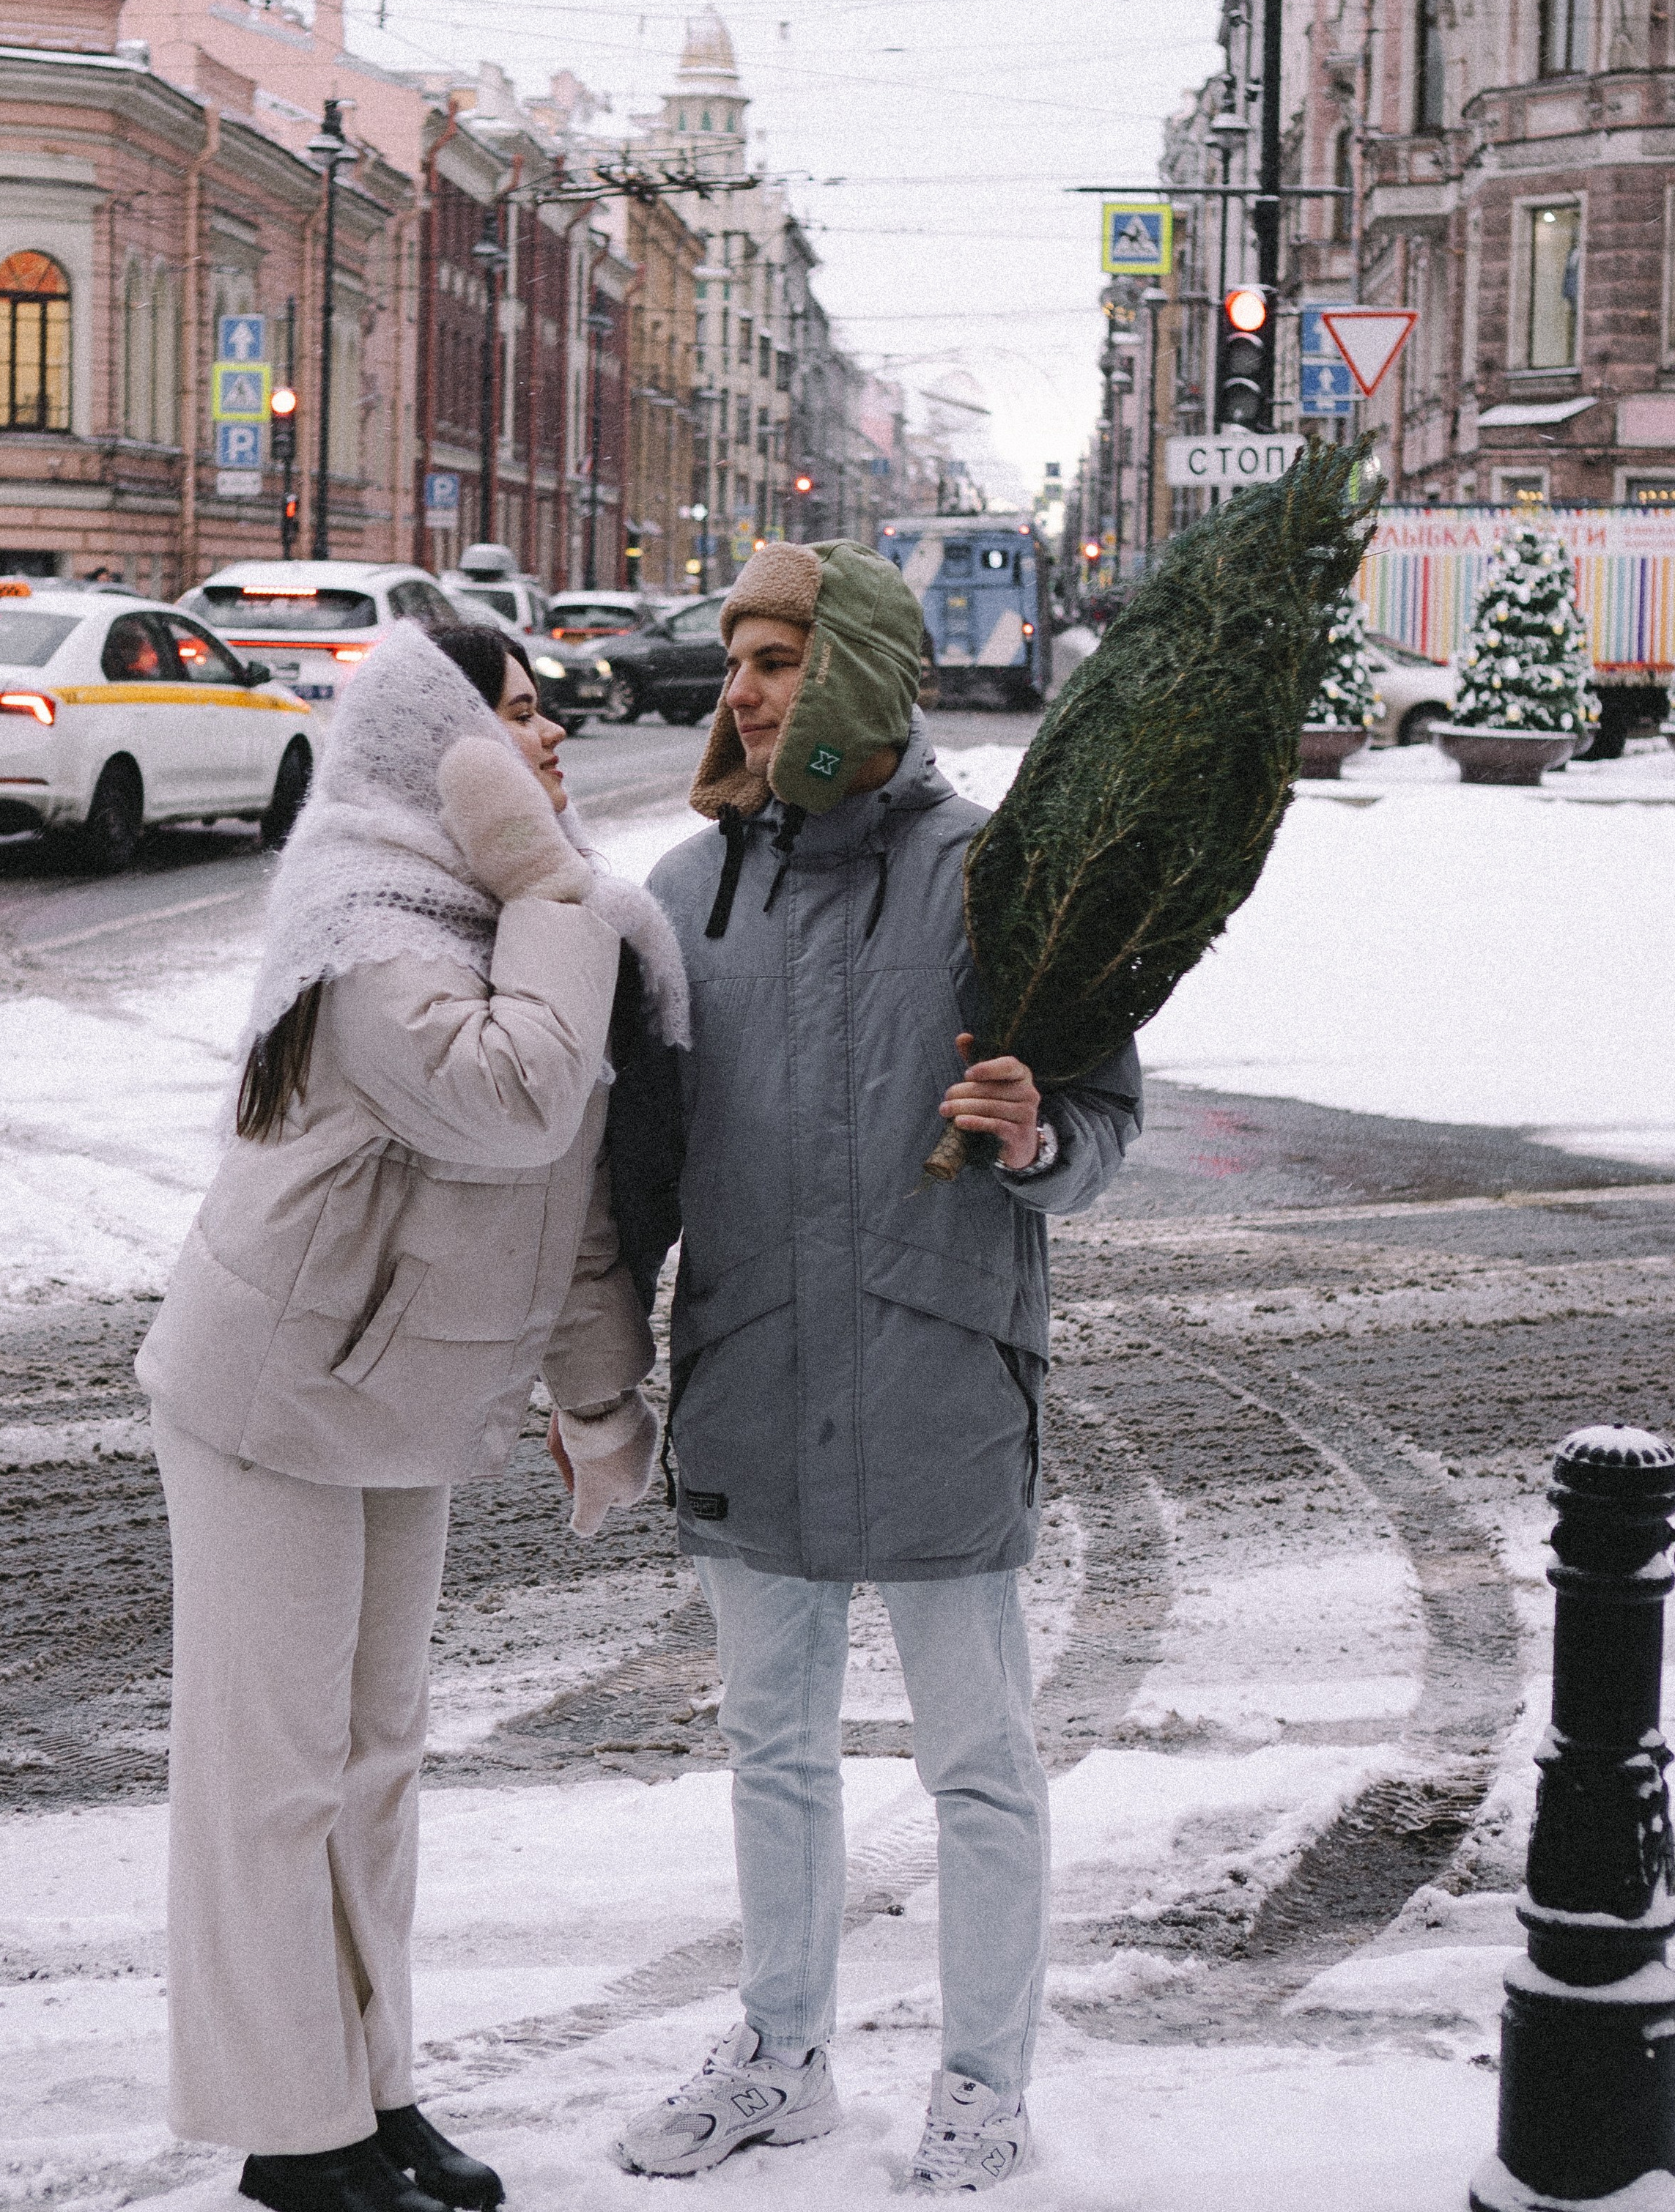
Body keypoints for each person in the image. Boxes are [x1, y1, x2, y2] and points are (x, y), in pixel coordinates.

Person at [606, 540, 1141, 2194]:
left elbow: (1102, 1115)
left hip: (938, 1373)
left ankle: (983, 2084)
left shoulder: (996, 878)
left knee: (976, 1761)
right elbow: (633, 1172)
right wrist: (592, 1373)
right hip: (750, 1369)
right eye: (736, 665)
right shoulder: (684, 894)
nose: (744, 696)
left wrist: (1035, 1133)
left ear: (851, 671)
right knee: (770, 1746)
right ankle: (781, 2057)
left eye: (775, 662)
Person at [136, 618, 687, 2212]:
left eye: (545, 713)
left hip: (397, 1398)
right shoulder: (371, 925)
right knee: (274, 1775)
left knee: (375, 1762)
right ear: (428, 749)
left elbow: (575, 1202)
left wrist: (602, 1398)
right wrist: (553, 891)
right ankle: (289, 2129)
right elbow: (513, 1102)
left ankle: (371, 2092)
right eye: (511, 715)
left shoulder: (531, 920)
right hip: (269, 1394)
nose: (548, 738)